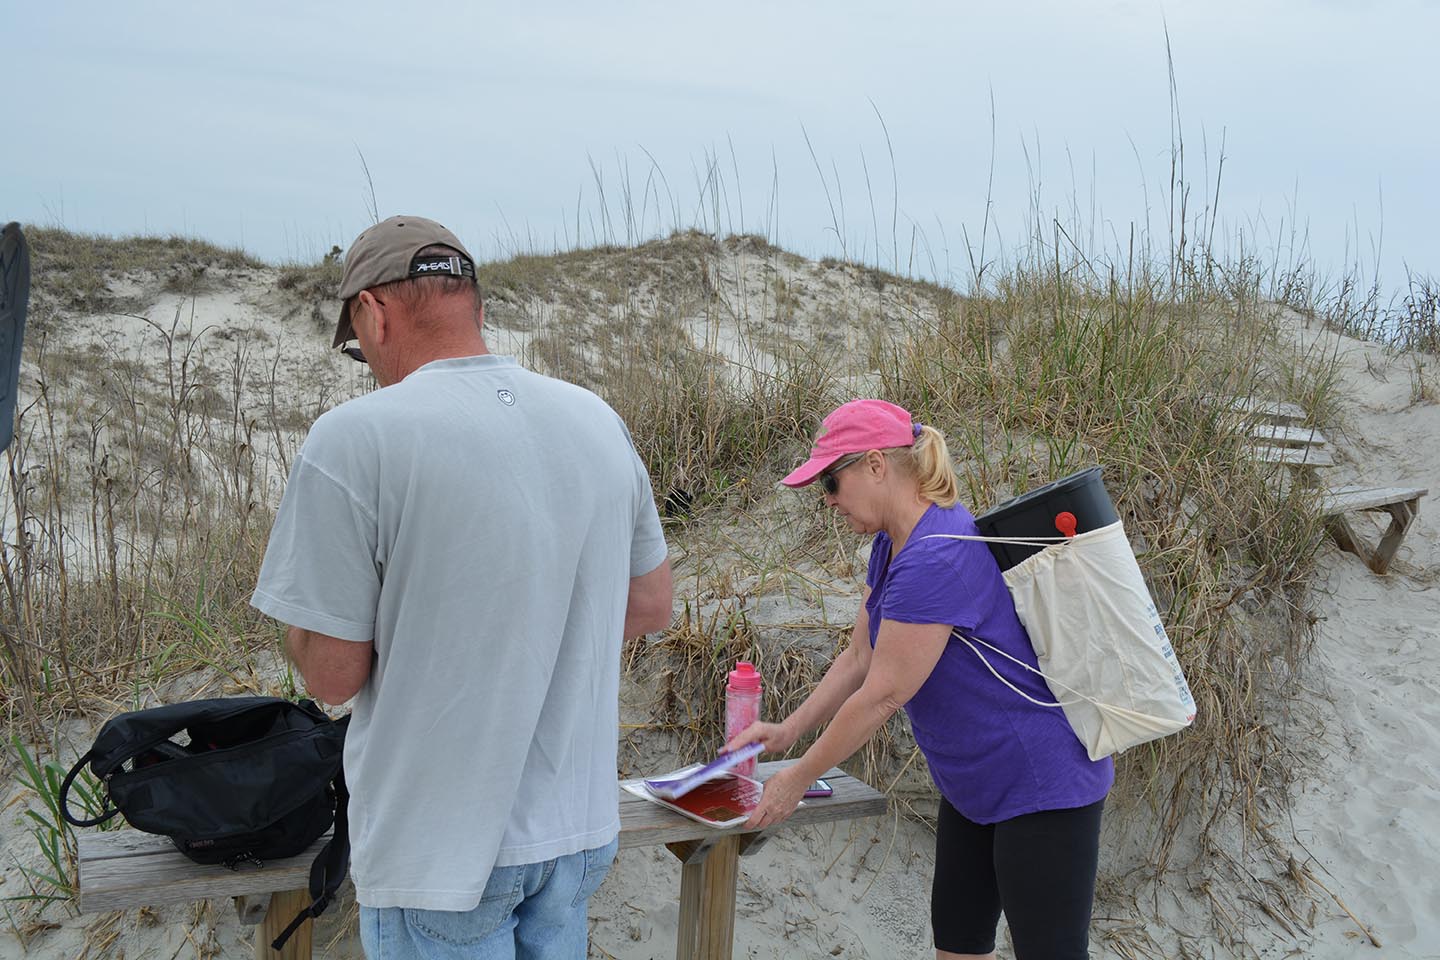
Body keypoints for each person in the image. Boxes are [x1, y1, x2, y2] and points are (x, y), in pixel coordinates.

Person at [251, 215, 673, 960]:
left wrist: (305, 622)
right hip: (575, 832)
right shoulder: (597, 421)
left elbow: (330, 675)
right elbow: (648, 606)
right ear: (473, 303)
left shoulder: (355, 439)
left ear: (372, 314)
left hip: (441, 851)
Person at [726, 399, 1111, 960]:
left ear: (876, 465)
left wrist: (795, 780)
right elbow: (861, 656)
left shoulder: (936, 555)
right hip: (973, 788)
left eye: (832, 482)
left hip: (1041, 784)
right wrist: (788, 731)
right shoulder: (891, 543)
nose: (829, 501)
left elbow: (882, 695)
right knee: (957, 947)